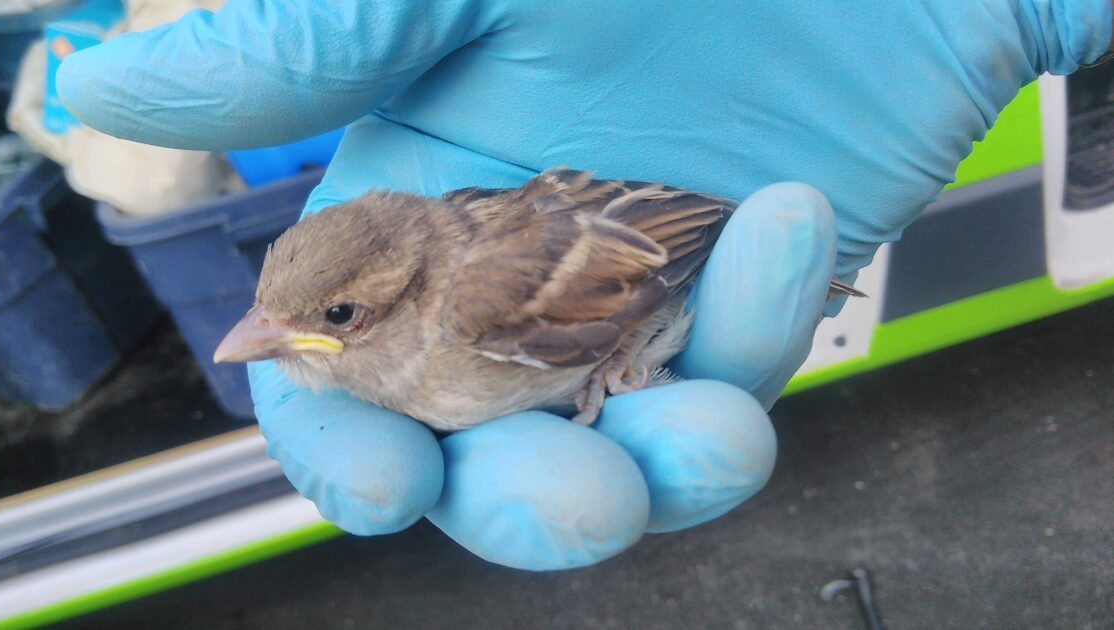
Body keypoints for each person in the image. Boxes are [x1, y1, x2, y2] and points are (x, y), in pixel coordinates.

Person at [57, 0, 1113, 570]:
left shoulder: (479, 306)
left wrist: (637, 331)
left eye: (335, 319)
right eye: (275, 318)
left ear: (398, 294)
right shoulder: (397, 275)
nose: (265, 338)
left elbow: (634, 262)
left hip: (658, 242)